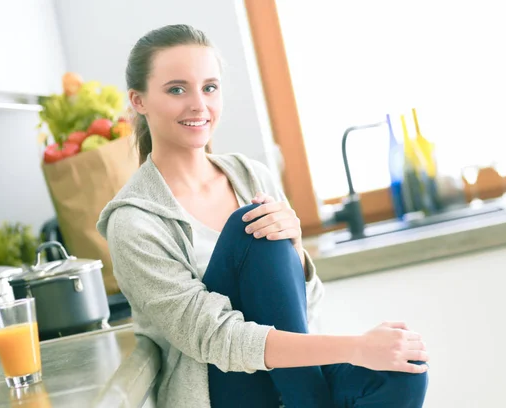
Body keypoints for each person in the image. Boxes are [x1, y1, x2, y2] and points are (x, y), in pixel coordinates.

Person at [97, 24, 429, 408]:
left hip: (293, 380)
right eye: (176, 89)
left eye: (209, 87)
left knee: (404, 365)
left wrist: (297, 248)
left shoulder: (251, 175)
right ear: (138, 101)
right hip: (223, 389)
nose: (198, 105)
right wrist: (356, 347)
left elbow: (302, 308)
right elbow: (216, 338)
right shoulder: (133, 223)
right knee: (250, 227)